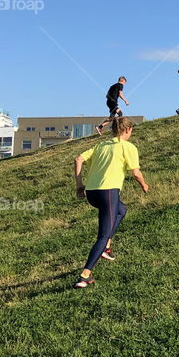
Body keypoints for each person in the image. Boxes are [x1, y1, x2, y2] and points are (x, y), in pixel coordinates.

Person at [72, 117, 149, 289]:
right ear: (128, 130)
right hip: (108, 193)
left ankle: (106, 248)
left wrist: (79, 185)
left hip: (92, 193)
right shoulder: (128, 147)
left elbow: (78, 159)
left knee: (121, 209)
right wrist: (144, 185)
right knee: (103, 235)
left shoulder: (101, 145)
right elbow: (136, 173)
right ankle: (85, 274)